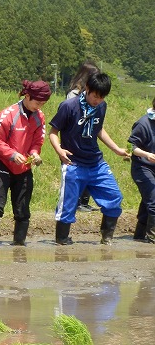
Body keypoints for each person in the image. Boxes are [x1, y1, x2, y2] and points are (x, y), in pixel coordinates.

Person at [48, 71, 129, 245]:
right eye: (95, 96)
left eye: (102, 97)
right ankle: (61, 240)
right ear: (87, 88)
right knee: (68, 205)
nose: (97, 100)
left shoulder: (102, 106)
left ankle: (106, 236)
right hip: (73, 163)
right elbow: (53, 132)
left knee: (114, 196)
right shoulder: (68, 106)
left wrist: (116, 149)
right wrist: (59, 151)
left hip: (96, 163)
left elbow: (98, 129)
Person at [0, 80, 52, 247]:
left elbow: (38, 141)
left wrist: (35, 154)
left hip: (24, 168)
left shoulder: (39, 117)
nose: (39, 106)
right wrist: (12, 154)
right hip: (3, 165)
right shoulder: (7, 115)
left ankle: (19, 246)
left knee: (22, 210)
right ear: (27, 96)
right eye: (37, 102)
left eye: (43, 103)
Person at [66, 61, 100, 212]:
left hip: (88, 138)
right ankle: (77, 203)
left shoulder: (94, 96)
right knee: (77, 174)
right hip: (74, 141)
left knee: (90, 170)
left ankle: (85, 202)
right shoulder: (73, 94)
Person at [128, 97, 155, 243]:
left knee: (149, 201)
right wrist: (147, 154)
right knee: (154, 201)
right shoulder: (143, 123)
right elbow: (131, 147)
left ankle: (139, 236)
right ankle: (152, 238)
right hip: (142, 167)